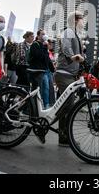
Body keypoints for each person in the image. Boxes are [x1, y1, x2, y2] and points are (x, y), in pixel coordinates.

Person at [54, 11, 86, 146]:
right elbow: (66, 47)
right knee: (68, 105)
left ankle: (63, 135)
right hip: (64, 74)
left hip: (70, 74)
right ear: (75, 20)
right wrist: (73, 56)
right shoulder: (68, 32)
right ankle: (64, 136)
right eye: (81, 20)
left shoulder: (76, 34)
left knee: (65, 105)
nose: (83, 22)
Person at [27, 29, 55, 109]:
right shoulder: (35, 44)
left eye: (45, 34)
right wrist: (45, 47)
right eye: (42, 34)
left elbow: (47, 58)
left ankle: (44, 106)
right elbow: (39, 56)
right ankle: (31, 107)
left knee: (46, 88)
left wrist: (52, 68)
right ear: (38, 36)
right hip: (37, 71)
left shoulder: (43, 46)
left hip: (43, 70)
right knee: (37, 89)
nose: (44, 35)